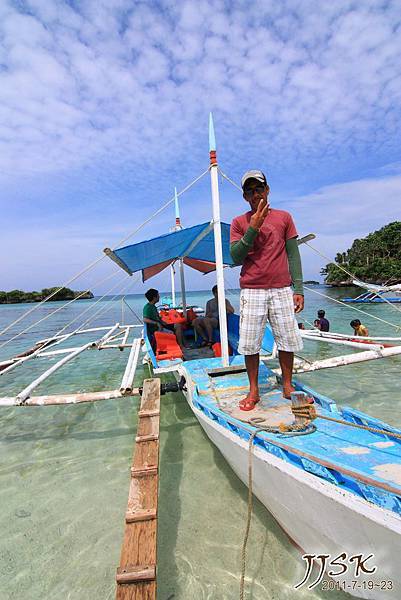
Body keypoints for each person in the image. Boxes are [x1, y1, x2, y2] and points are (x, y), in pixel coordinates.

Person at [230, 170, 304, 409]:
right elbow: (236, 256)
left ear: (267, 190)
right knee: (250, 343)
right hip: (252, 290)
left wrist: (299, 288)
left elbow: (293, 254)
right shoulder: (239, 222)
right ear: (244, 196)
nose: (255, 194)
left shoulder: (284, 217)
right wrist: (253, 228)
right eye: (250, 191)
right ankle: (254, 391)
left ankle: (287, 385)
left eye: (259, 189)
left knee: (287, 340)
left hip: (282, 288)